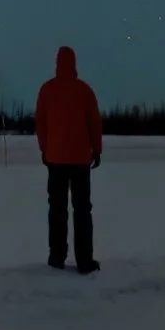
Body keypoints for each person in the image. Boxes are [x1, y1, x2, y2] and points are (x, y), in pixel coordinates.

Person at [34, 45, 102, 274]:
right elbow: (94, 122)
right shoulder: (84, 91)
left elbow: (40, 123)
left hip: (56, 159)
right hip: (81, 160)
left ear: (57, 63)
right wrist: (97, 150)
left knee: (57, 209)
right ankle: (85, 260)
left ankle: (57, 256)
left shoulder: (47, 90)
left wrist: (44, 148)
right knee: (82, 210)